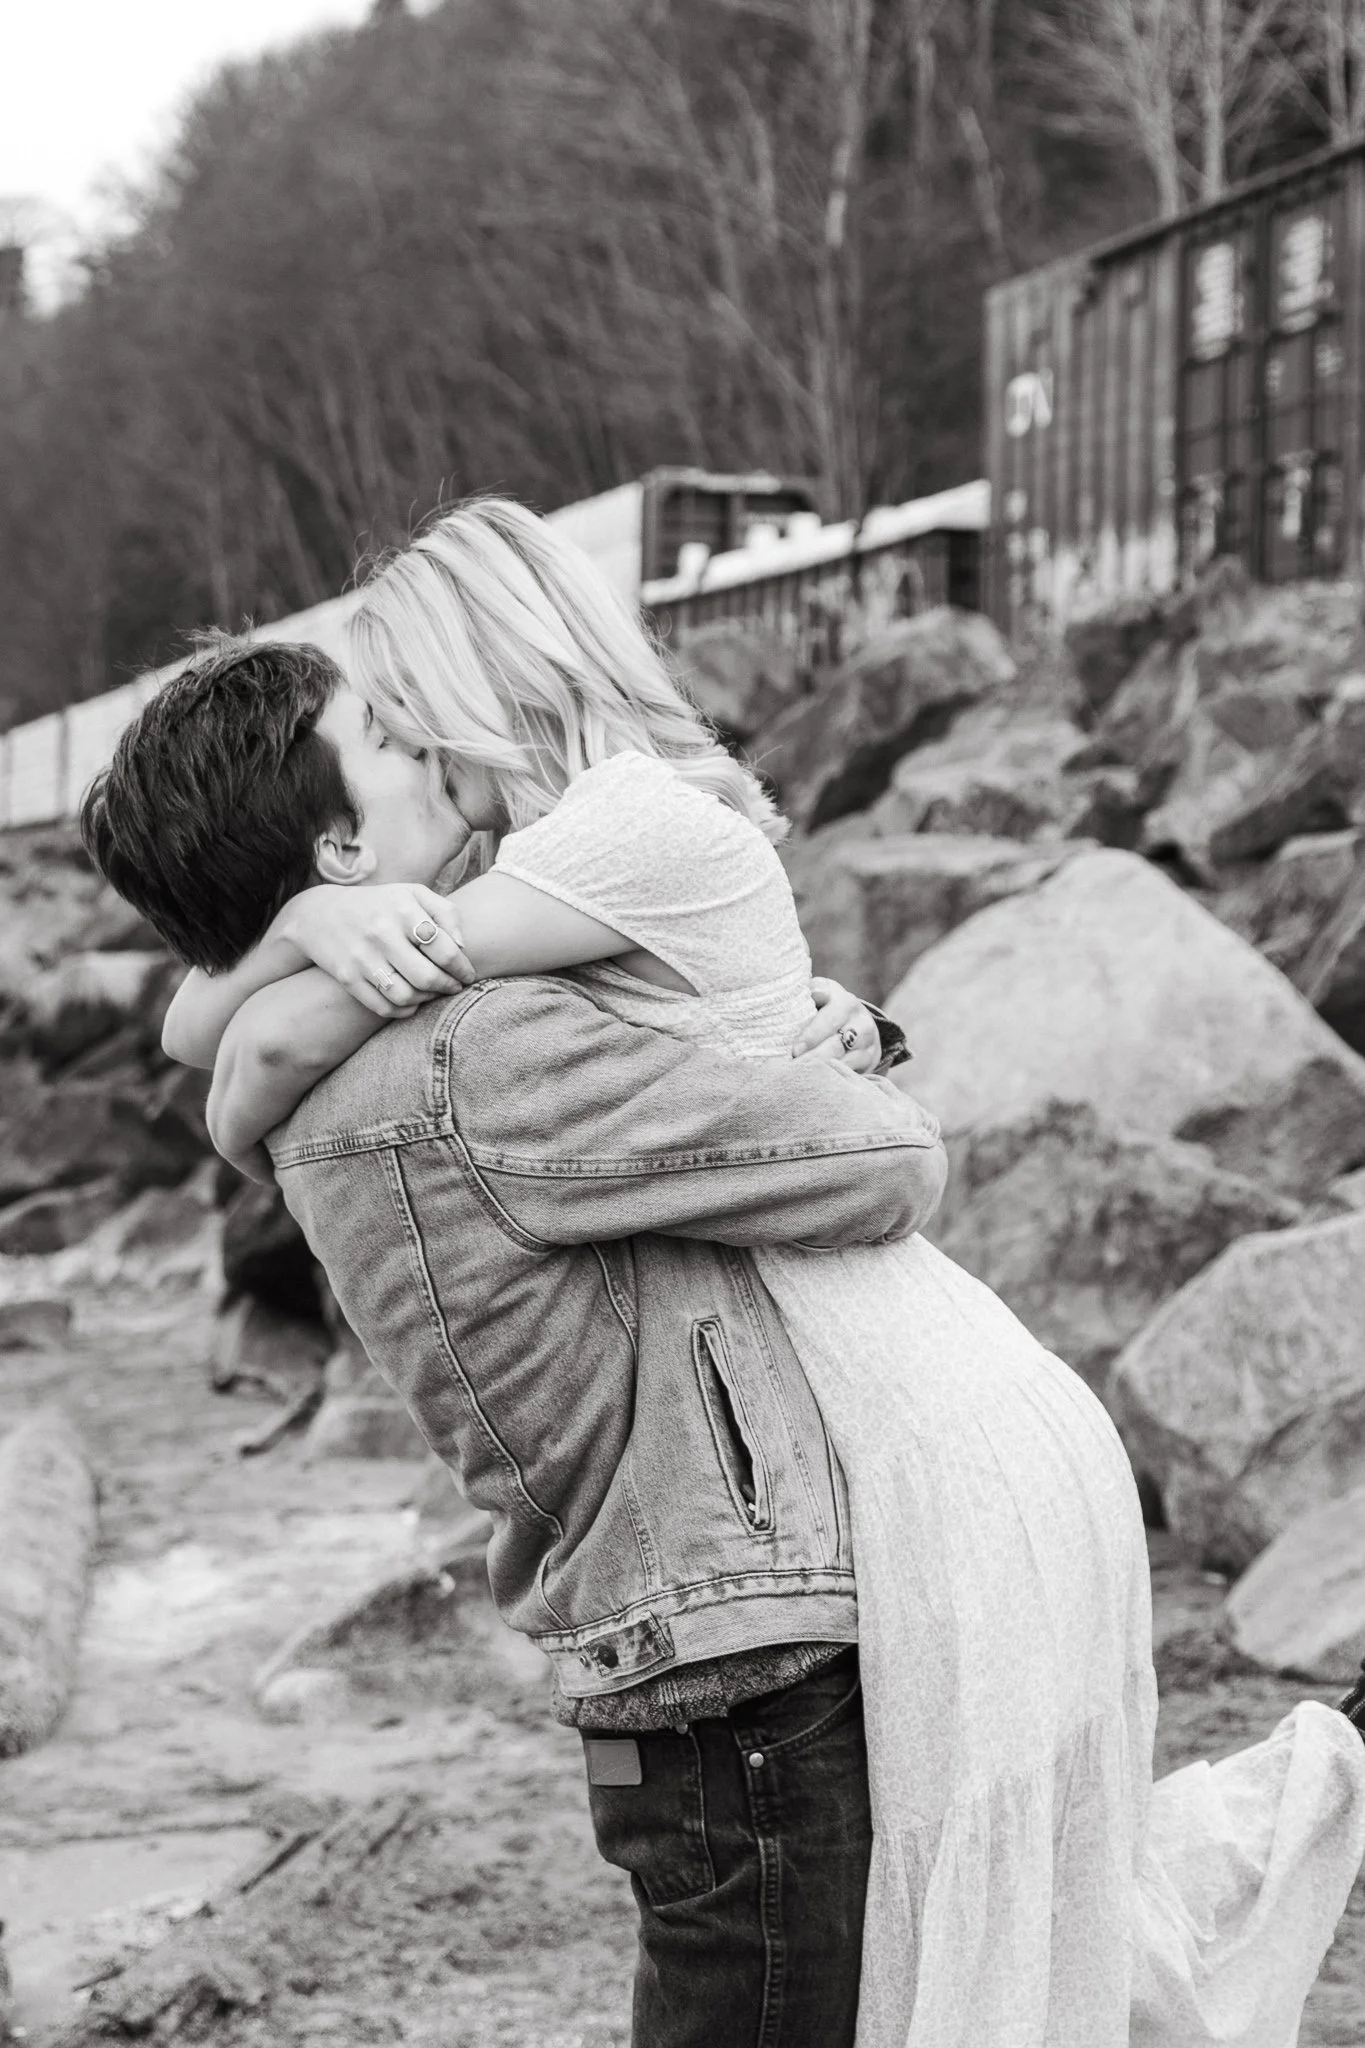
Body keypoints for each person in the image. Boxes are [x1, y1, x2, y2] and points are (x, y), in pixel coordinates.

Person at [141, 499, 1365, 2048]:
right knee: (1002, 1943)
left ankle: (1317, 1798)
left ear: (474, 689)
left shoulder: (593, 867)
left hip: (901, 1458)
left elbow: (250, 1039)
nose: (415, 756)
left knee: (983, 1952)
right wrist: (312, 936)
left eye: (399, 714)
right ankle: (1318, 1793)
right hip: (888, 1454)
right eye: (376, 735)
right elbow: (248, 1030)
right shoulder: (520, 922)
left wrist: (275, 1012)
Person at [81, 631, 947, 2048]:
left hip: (656, 1651)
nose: (437, 738)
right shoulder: (477, 1054)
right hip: (735, 1654)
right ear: (345, 848)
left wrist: (297, 934)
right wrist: (803, 1035)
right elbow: (885, 1161)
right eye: (394, 735)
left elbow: (219, 1039)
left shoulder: (337, 1062)